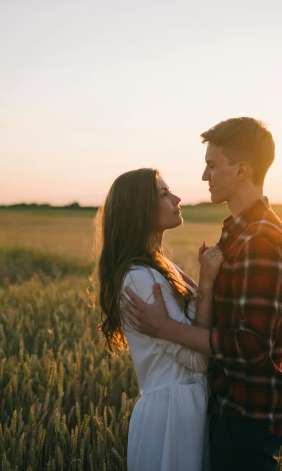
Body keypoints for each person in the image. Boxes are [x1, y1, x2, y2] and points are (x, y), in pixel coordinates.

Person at [121, 117, 282, 471]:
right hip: (228, 407)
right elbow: (229, 316)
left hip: (247, 414)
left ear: (242, 171)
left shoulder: (260, 240)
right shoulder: (237, 233)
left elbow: (252, 345)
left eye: (212, 165)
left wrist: (166, 328)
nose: (204, 177)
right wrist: (205, 285)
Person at [93, 167, 224, 471]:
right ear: (139, 210)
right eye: (164, 194)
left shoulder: (161, 266)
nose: (177, 198)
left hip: (185, 407)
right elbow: (197, 359)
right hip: (171, 417)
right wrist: (205, 283)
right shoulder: (140, 279)